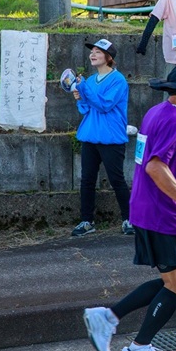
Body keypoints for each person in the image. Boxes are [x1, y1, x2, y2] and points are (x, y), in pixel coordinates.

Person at [82, 63, 176, 351]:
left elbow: (168, 141)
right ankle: (137, 347)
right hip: (162, 212)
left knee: (172, 281)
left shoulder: (159, 113)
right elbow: (155, 167)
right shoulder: (173, 120)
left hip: (145, 208)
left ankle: (108, 318)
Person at [70, 39, 133, 237]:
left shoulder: (118, 80)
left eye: (98, 51)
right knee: (87, 180)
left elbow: (105, 105)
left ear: (109, 57)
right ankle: (86, 221)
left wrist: (84, 90)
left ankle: (129, 219)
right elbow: (85, 109)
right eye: (92, 52)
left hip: (111, 137)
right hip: (90, 135)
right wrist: (79, 98)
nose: (93, 54)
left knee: (117, 179)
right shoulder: (90, 80)